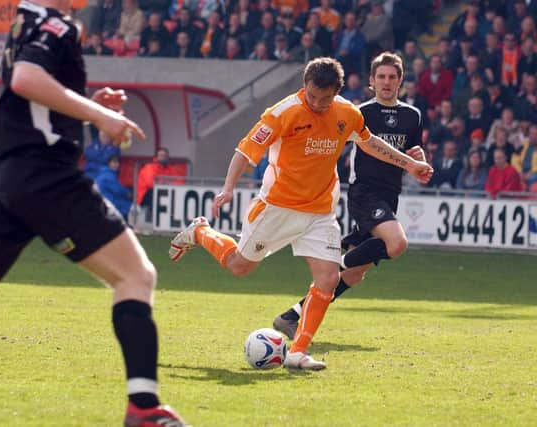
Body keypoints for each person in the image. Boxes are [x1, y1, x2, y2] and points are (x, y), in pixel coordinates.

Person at [0, 2, 188, 426]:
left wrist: (87, 105)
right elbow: (26, 79)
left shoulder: (26, 19)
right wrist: (100, 113)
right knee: (136, 276)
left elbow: (31, 104)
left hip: (7, 173)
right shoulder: (56, 24)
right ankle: (143, 408)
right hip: (44, 175)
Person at [168, 56, 433, 369]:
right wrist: (228, 187)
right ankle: (200, 231)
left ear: (337, 92)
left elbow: (369, 142)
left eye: (325, 98)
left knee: (329, 278)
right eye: (312, 96)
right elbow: (245, 150)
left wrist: (410, 163)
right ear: (304, 86)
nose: (318, 104)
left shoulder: (346, 113)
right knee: (240, 266)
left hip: (320, 211)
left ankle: (297, 352)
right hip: (277, 207)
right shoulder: (283, 112)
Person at [272, 53, 428, 340]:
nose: (386, 82)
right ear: (371, 80)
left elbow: (414, 151)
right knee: (396, 244)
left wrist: (420, 158)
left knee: (354, 275)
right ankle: (340, 256)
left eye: (392, 77)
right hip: (364, 193)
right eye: (381, 76)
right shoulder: (360, 112)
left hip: (390, 196)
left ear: (401, 81)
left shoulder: (412, 115)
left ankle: (291, 316)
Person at [136, 147, 184, 222]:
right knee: (156, 194)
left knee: (176, 194)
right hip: (145, 196)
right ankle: (158, 221)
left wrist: (167, 183)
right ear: (156, 157)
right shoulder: (149, 167)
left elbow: (180, 182)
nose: (163, 158)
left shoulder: (170, 168)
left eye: (165, 156)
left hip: (165, 194)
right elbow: (151, 183)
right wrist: (168, 183)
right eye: (161, 156)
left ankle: (173, 221)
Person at [96, 155, 133, 220]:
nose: (117, 165)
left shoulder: (104, 173)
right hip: (109, 202)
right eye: (114, 162)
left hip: (104, 201)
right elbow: (118, 190)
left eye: (118, 163)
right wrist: (128, 193)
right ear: (108, 163)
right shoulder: (108, 175)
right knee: (128, 205)